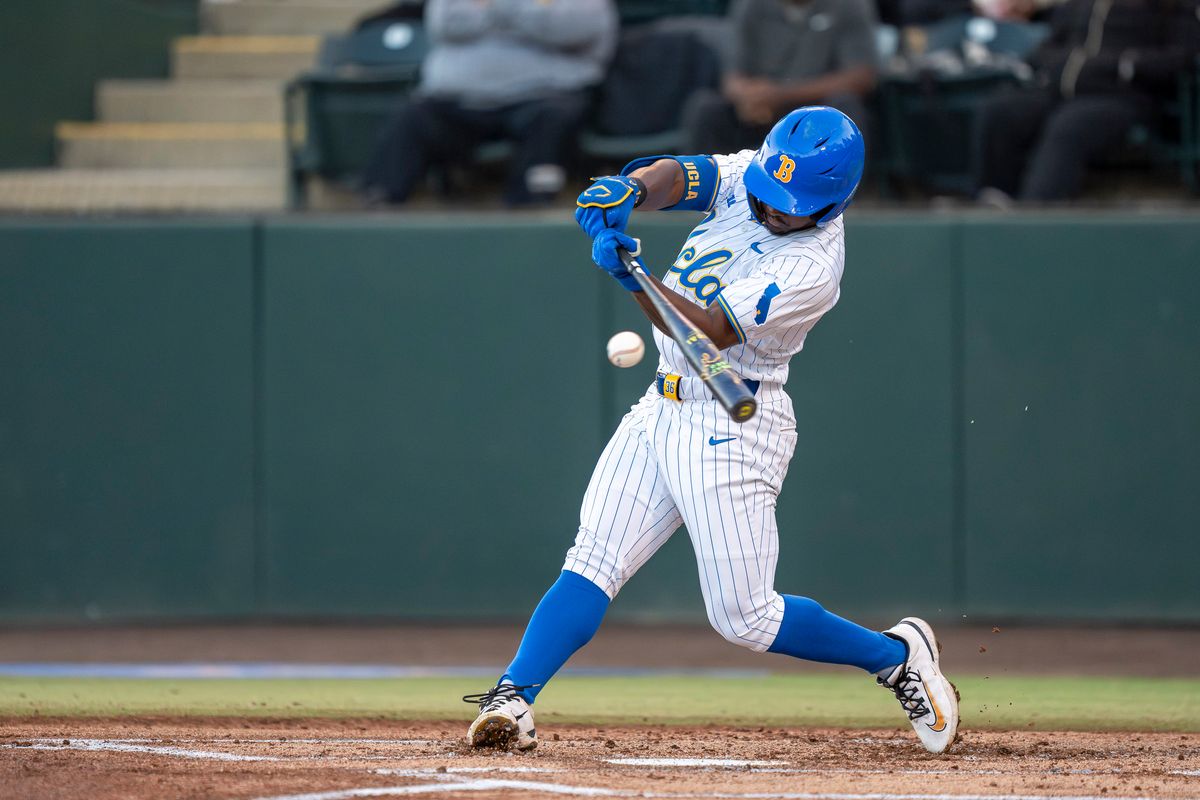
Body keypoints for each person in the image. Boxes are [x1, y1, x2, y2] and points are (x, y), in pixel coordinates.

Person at [462, 106, 961, 755]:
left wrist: (628, 276)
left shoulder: (811, 267)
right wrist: (634, 188)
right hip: (661, 404)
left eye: (792, 205)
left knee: (745, 618)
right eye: (770, 195)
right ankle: (512, 699)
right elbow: (684, 177)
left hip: (733, 421)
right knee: (592, 561)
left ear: (830, 204)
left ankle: (896, 656)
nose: (775, 209)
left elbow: (707, 333)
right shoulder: (758, 174)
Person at [362, 0, 618, 207]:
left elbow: (571, 26)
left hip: (544, 95)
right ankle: (378, 205)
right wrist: (530, 15)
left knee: (555, 117)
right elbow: (445, 22)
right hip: (458, 98)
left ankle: (530, 210)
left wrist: (496, 7)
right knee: (413, 115)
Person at [974, 0, 1200, 204]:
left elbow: (1180, 58)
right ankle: (994, 205)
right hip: (1061, 91)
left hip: (1123, 97)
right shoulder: (1080, 6)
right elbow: (1045, 48)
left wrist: (1122, 66)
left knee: (1069, 126)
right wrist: (1057, 63)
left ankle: (1035, 216)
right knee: (1001, 110)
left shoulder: (1170, 7)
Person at [681, 0, 879, 155]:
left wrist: (778, 95)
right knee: (705, 108)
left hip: (815, 110)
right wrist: (747, 96)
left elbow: (860, 77)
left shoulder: (850, 5)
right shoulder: (750, 5)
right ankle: (710, 190)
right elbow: (732, 77)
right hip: (758, 110)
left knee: (845, 106)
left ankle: (838, 194)